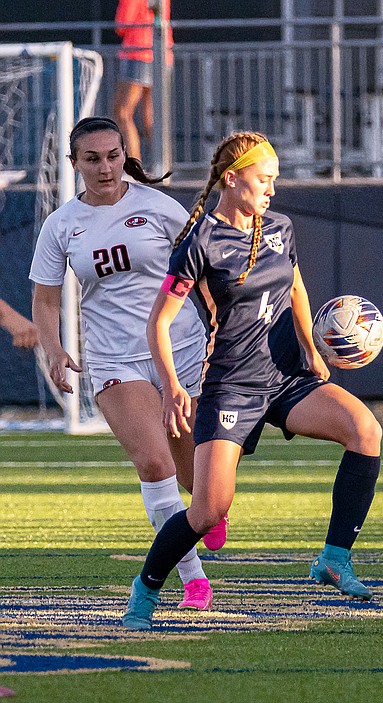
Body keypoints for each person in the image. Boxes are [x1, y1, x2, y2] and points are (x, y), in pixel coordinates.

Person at [121, 131, 382, 630]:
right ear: (232, 178)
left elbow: (297, 285)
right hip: (232, 386)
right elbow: (157, 322)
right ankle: (146, 587)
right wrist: (173, 386)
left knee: (365, 431)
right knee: (207, 509)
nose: (273, 190)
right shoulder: (200, 242)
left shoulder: (280, 227)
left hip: (286, 375)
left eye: (275, 180)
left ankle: (334, 557)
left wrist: (309, 345)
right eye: (265, 179)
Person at [30, 116, 226, 614]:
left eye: (112, 156)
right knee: (153, 463)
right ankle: (192, 581)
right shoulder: (62, 226)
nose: (104, 167)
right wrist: (53, 349)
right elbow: (46, 300)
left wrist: (222, 322)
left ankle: (206, 507)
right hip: (115, 359)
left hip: (181, 352)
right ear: (74, 164)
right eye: (91, 159)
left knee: (199, 484)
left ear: (125, 155)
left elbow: (201, 268)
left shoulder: (158, 207)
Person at [113, 0, 173, 161]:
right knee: (152, 116)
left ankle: (135, 166)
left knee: (122, 112)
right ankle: (162, 164)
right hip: (161, 52)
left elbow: (122, 24)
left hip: (138, 52)